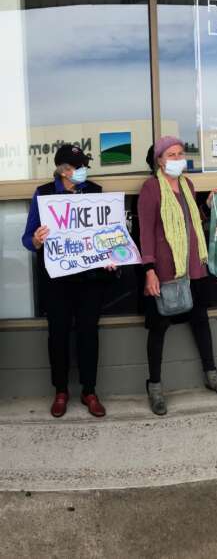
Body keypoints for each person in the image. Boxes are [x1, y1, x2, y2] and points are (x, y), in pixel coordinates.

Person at [138, 136, 217, 416]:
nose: (178, 158)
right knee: (159, 329)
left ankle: (211, 374)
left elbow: (195, 222)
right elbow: (145, 232)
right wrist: (149, 270)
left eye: (180, 153)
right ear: (159, 160)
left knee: (201, 322)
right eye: (172, 154)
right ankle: (154, 386)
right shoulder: (151, 189)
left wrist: (207, 204)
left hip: (194, 268)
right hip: (166, 271)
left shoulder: (187, 185)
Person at [21, 144, 113, 418]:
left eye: (85, 165)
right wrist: (37, 240)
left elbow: (108, 230)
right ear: (64, 170)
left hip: (89, 279)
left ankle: (89, 390)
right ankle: (61, 391)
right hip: (56, 281)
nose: (84, 170)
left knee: (89, 333)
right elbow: (27, 239)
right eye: (79, 166)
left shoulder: (94, 192)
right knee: (58, 335)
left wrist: (109, 252)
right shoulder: (44, 195)